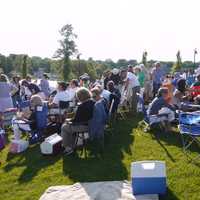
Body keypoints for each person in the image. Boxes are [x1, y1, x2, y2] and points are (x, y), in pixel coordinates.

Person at [61, 87, 95, 155]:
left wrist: (69, 121)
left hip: (84, 125)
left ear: (80, 96)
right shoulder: (93, 102)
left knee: (64, 127)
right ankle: (72, 145)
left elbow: (76, 120)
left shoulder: (82, 106)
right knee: (69, 127)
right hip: (91, 124)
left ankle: (67, 147)